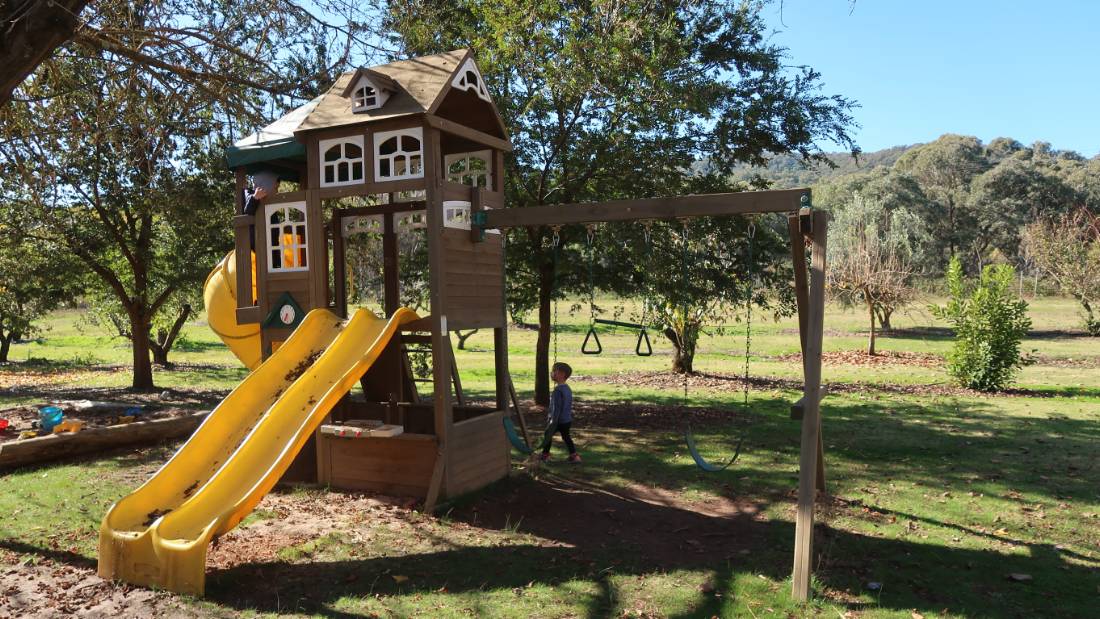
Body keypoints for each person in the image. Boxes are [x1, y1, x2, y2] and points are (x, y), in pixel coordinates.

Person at [540, 361, 580, 463]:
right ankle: (574, 456)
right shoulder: (567, 389)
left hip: (557, 420)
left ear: (562, 374)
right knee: (566, 437)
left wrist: (552, 421)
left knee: (547, 436)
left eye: (554, 371)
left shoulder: (558, 391)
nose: (551, 373)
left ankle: (545, 455)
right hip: (567, 420)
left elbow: (556, 408)